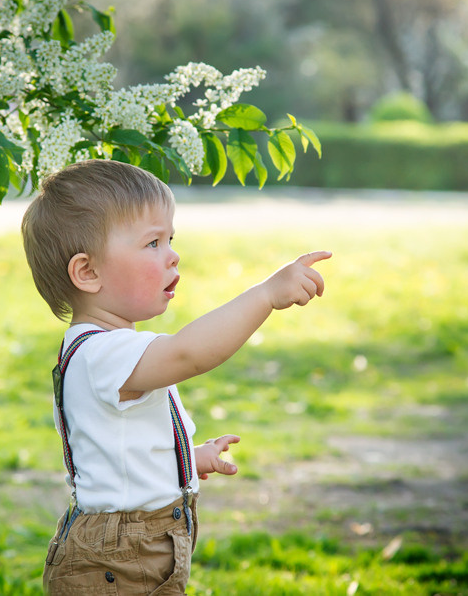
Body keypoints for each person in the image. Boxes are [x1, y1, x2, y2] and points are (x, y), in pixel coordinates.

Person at [21, 158, 331, 594]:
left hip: (137, 550)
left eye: (170, 238)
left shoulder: (108, 349)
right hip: (117, 561)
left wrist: (186, 456)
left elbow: (120, 452)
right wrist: (264, 295)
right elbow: (189, 353)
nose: (172, 254)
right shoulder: (102, 354)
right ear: (88, 272)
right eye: (152, 243)